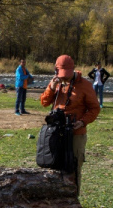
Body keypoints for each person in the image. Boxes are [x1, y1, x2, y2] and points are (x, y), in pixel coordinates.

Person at [40, 55, 101, 192]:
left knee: (73, 167)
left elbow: (95, 108)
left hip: (76, 134)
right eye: (62, 75)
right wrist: (51, 88)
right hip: (56, 133)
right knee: (54, 165)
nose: (65, 78)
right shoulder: (56, 83)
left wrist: (83, 121)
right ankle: (56, 200)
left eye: (67, 75)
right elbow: (44, 102)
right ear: (56, 71)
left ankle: (73, 201)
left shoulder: (85, 85)